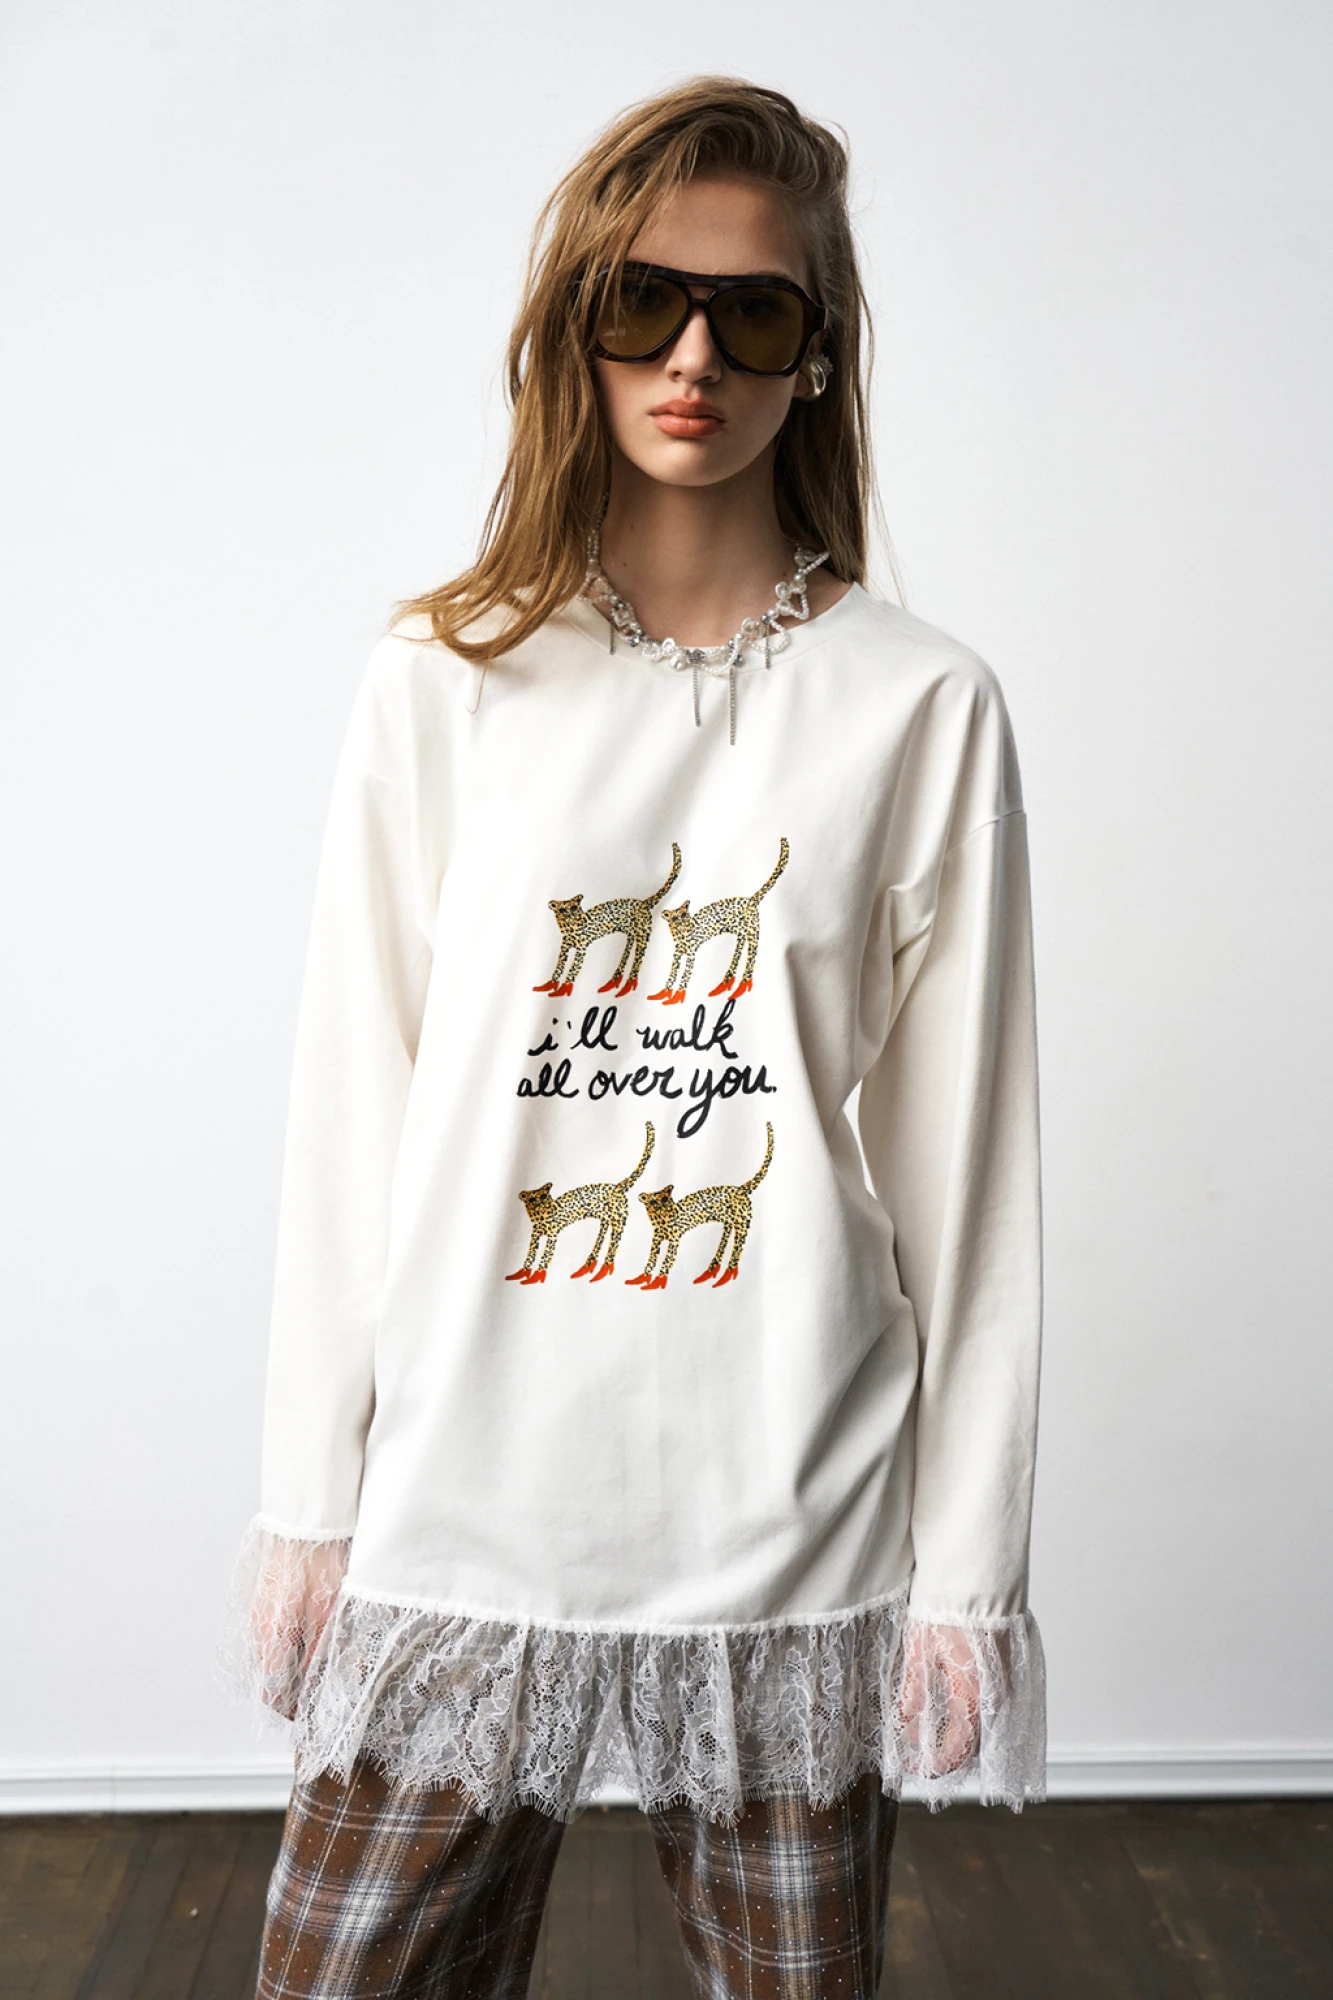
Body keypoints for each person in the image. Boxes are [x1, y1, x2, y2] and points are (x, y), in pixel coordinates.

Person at [218, 74, 1047, 2000]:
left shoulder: (920, 708)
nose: (693, 358)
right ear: (574, 327)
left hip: (790, 1501)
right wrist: (313, 1494)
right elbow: (354, 1106)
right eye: (644, 303)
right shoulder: (446, 678)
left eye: (753, 314)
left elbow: (975, 1183)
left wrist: (966, 1572)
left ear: (818, 355)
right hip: (469, 1487)